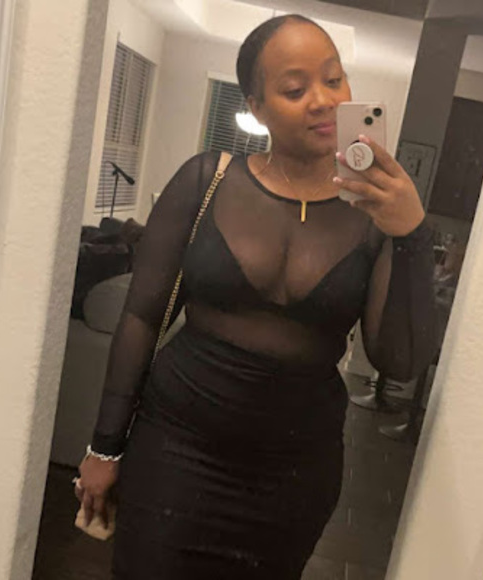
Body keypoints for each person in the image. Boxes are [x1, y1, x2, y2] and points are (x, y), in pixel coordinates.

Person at [76, 14, 437, 579]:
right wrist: (105, 447)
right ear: (257, 106)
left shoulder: (374, 214)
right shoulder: (206, 180)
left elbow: (401, 360)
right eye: (295, 89)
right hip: (176, 451)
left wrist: (411, 233)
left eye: (334, 80)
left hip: (293, 476)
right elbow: (142, 317)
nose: (323, 100)